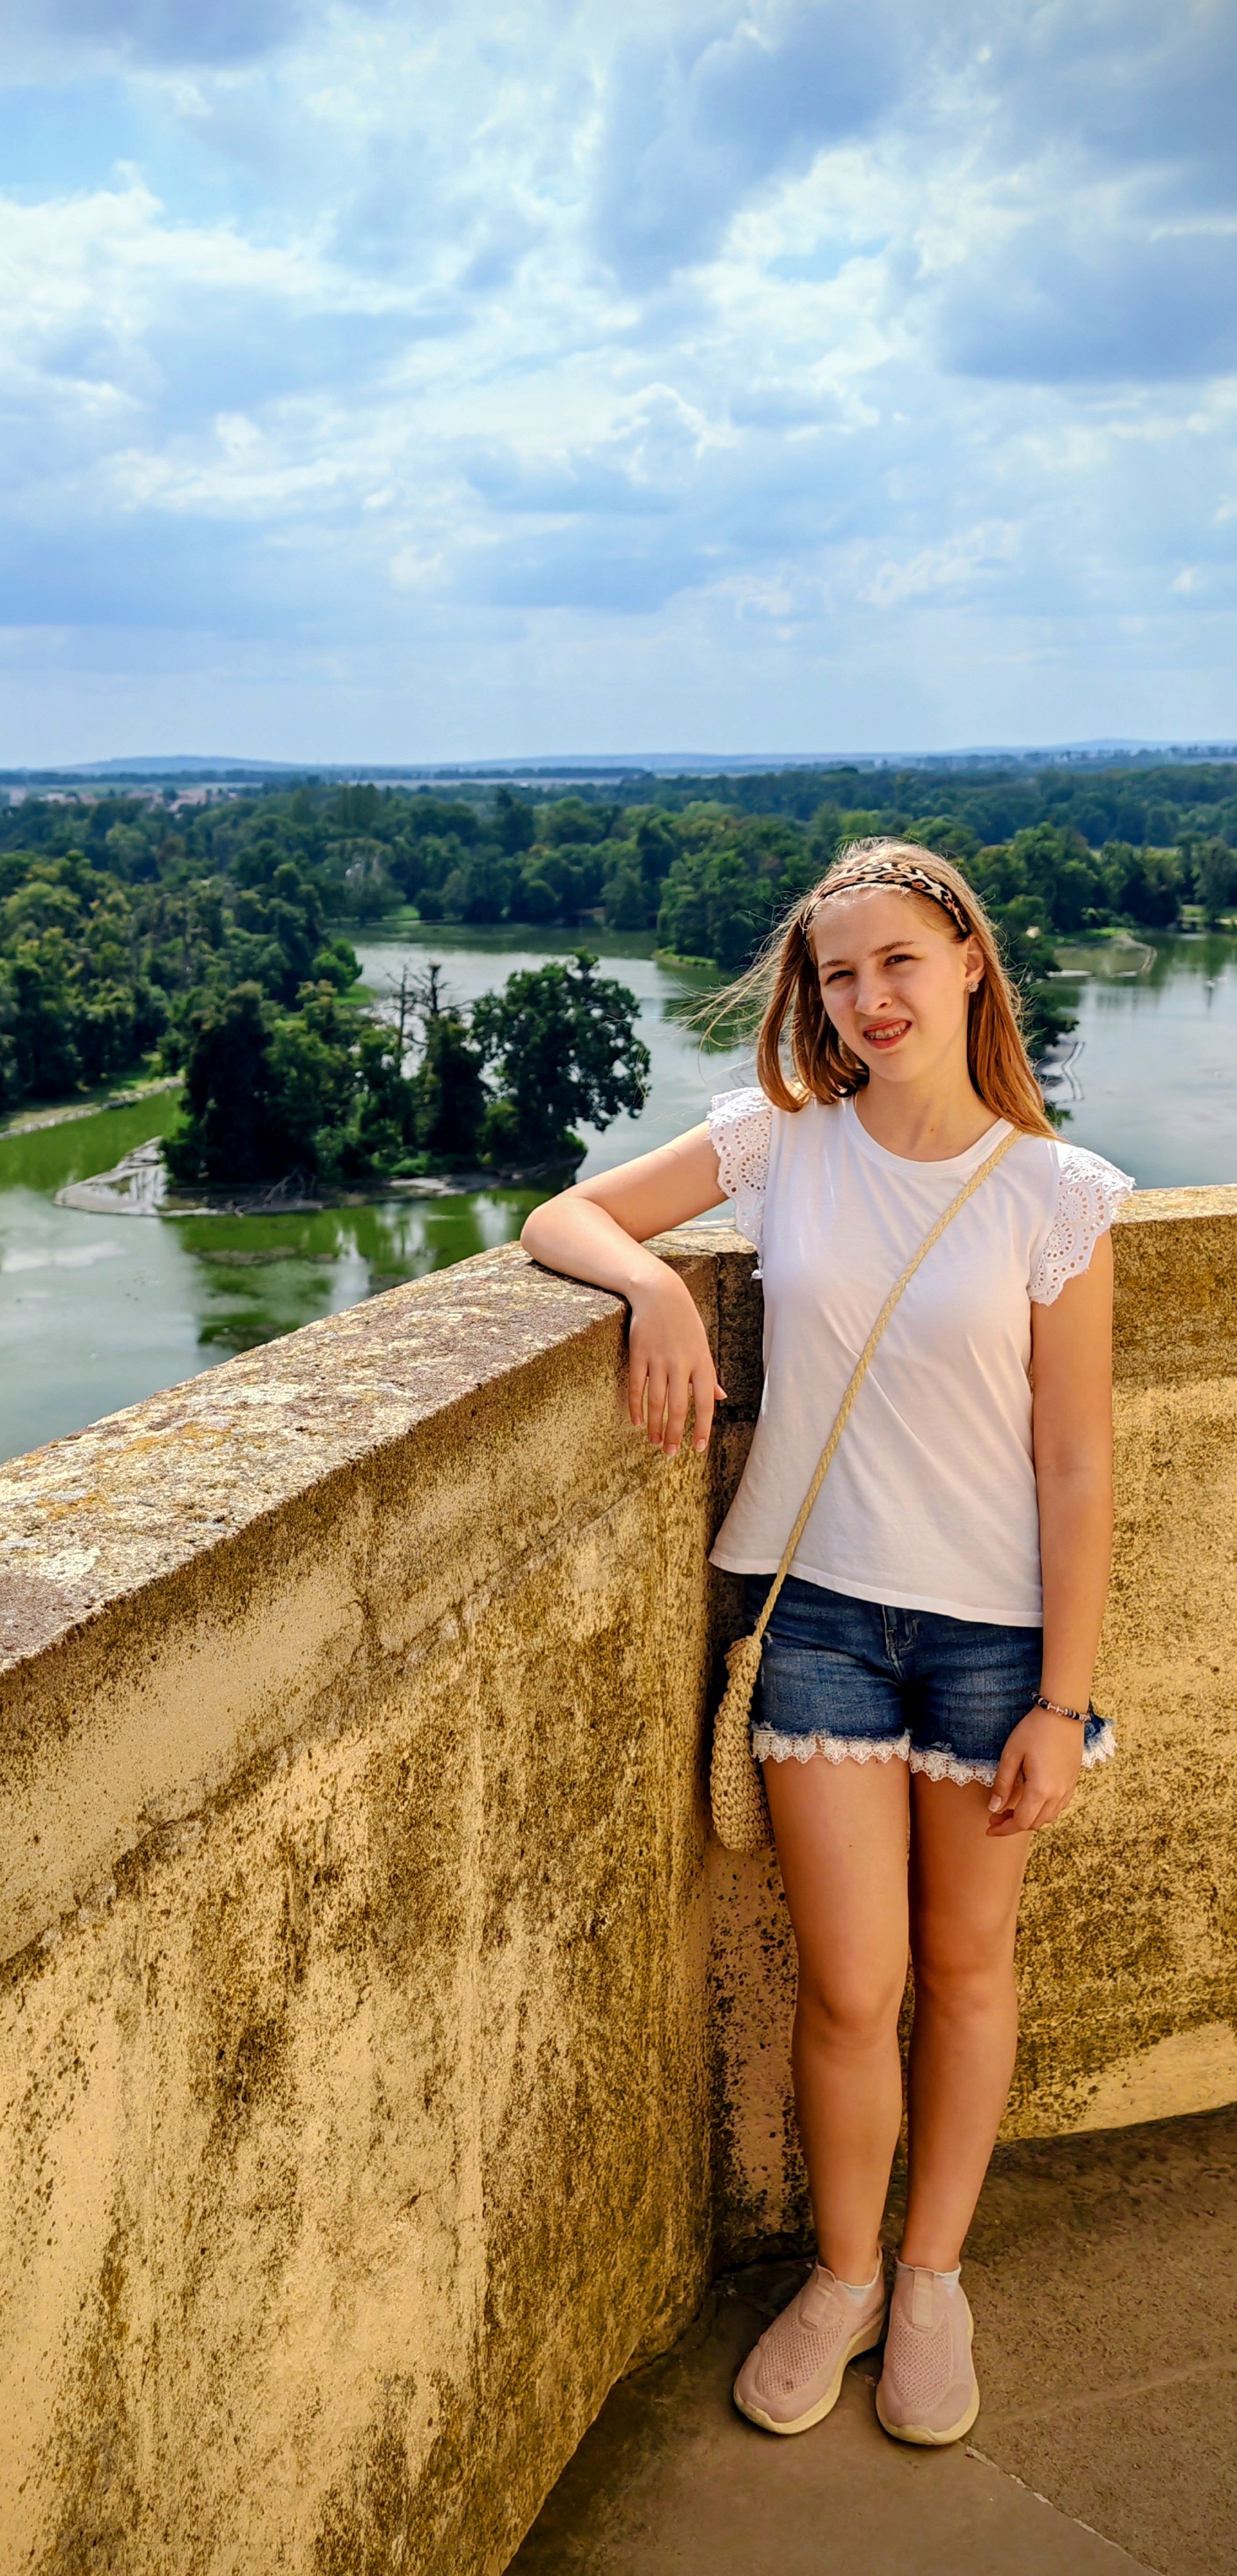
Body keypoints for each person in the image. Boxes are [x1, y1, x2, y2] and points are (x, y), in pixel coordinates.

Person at [519, 838, 1129, 2449]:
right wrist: (655, 1291)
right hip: (820, 1624)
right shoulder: (779, 1143)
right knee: (853, 1988)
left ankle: (931, 2280)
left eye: (898, 962)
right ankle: (844, 2276)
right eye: (838, 975)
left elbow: (1077, 1463)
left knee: (967, 1971)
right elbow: (562, 1214)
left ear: (971, 962)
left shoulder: (1058, 1196)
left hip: (997, 1640)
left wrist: (1064, 1701)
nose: (869, 999)